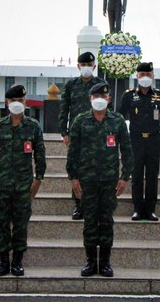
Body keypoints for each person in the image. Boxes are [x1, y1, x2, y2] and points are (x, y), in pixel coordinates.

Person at [66, 82, 134, 277]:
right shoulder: (80, 121)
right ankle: (90, 262)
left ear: (109, 99)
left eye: (103, 97)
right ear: (90, 99)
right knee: (89, 221)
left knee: (105, 221)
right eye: (95, 96)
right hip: (87, 180)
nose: (99, 100)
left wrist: (124, 177)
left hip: (109, 181)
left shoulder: (117, 121)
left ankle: (104, 262)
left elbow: (127, 150)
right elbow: (73, 151)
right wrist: (73, 177)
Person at [0, 85, 46, 277]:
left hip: (24, 185)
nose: (16, 104)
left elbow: (40, 155)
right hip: (1, 184)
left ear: (25, 103)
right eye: (13, 101)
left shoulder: (33, 126)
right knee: (1, 223)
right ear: (6, 103)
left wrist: (38, 179)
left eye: (20, 100)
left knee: (20, 224)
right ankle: (3, 261)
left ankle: (17, 261)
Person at [118, 62, 160, 221]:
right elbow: (120, 118)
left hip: (154, 141)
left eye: (148, 74)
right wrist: (122, 140)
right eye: (142, 75)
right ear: (137, 76)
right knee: (137, 175)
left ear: (153, 76)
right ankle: (137, 209)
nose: (145, 78)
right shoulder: (129, 95)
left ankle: (150, 210)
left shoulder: (159, 96)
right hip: (135, 140)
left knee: (152, 176)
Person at [58, 51, 106, 220]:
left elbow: (108, 109)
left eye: (89, 65)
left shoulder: (101, 84)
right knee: (77, 168)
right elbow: (64, 109)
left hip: (97, 132)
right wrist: (64, 132)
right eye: (83, 65)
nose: (86, 68)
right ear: (78, 66)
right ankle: (79, 205)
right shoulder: (71, 85)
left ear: (94, 66)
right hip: (76, 133)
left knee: (97, 167)